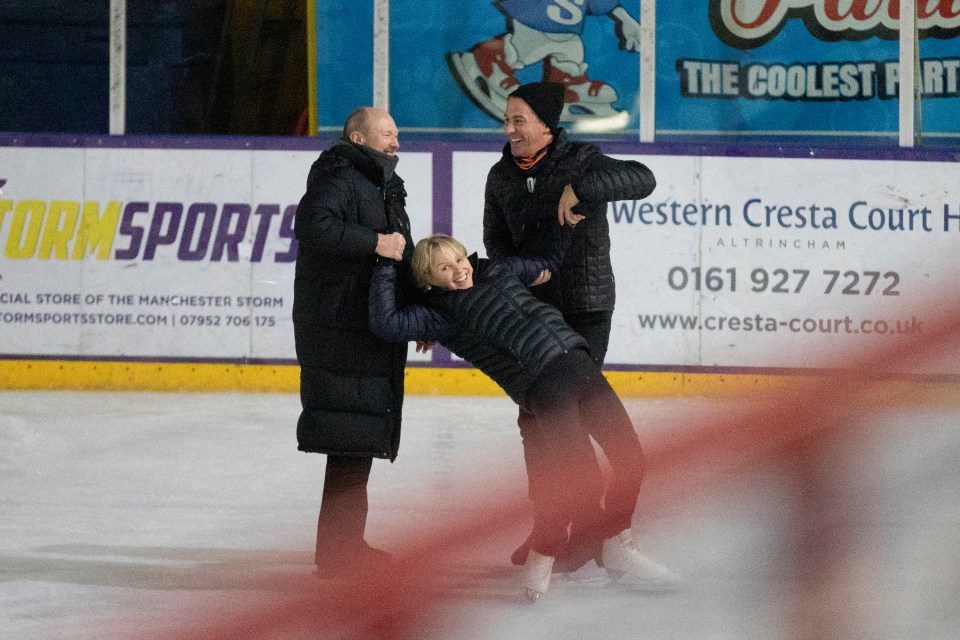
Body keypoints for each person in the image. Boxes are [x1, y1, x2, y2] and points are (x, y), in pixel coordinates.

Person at [369, 233, 676, 601]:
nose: (458, 270)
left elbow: (546, 261)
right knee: (583, 481)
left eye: (459, 259)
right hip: (545, 386)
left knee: (632, 460)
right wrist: (386, 261)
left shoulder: (496, 271)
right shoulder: (439, 317)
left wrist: (568, 218)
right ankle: (544, 556)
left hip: (581, 366)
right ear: (427, 280)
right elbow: (385, 323)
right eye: (443, 268)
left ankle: (617, 545)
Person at [483, 81, 658, 570]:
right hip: (531, 314)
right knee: (533, 423)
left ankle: (584, 532)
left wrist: (581, 188)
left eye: (519, 120)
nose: (509, 129)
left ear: (545, 124)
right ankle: (548, 528)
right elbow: (496, 245)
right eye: (507, 119)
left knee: (569, 422)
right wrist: (519, 279)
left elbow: (642, 179)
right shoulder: (501, 175)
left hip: (584, 308)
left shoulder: (582, 159)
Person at [293, 106, 416, 575]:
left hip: (366, 330)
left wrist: (411, 312)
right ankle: (338, 558)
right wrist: (373, 242)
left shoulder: (383, 185)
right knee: (349, 443)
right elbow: (312, 226)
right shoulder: (340, 175)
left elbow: (398, 255)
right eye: (387, 133)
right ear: (357, 137)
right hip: (341, 332)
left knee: (358, 443)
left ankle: (345, 548)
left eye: (398, 133)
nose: (396, 141)